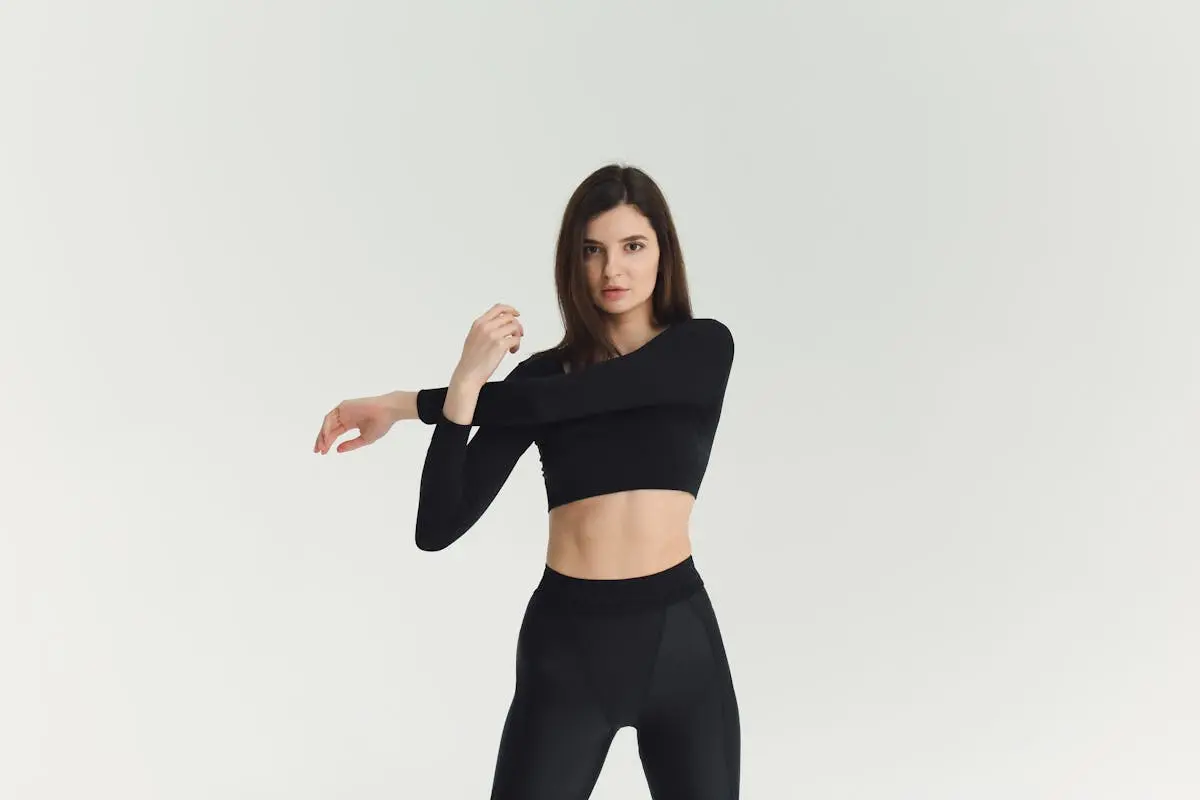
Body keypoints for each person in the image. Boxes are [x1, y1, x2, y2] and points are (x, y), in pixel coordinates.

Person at [313, 164, 740, 799]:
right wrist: (464, 387)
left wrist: (405, 404)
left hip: (680, 645)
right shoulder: (540, 378)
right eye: (592, 250)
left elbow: (578, 398)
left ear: (663, 252)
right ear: (573, 260)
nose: (612, 270)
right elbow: (437, 527)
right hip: (569, 649)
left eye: (632, 246)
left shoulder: (701, 349)